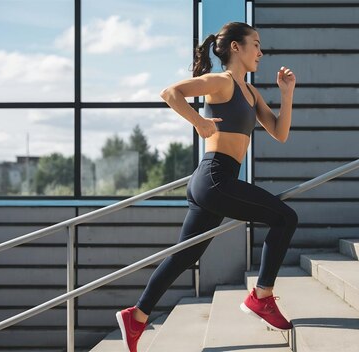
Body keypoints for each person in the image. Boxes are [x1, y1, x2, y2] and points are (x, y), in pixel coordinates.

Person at [116, 21, 298, 352]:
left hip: (216, 180)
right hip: (215, 177)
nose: (261, 51)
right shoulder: (222, 81)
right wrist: (198, 121)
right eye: (255, 44)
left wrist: (287, 95)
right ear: (236, 48)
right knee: (285, 218)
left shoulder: (250, 91)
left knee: (184, 256)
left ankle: (136, 316)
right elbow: (170, 92)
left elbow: (279, 133)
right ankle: (262, 296)